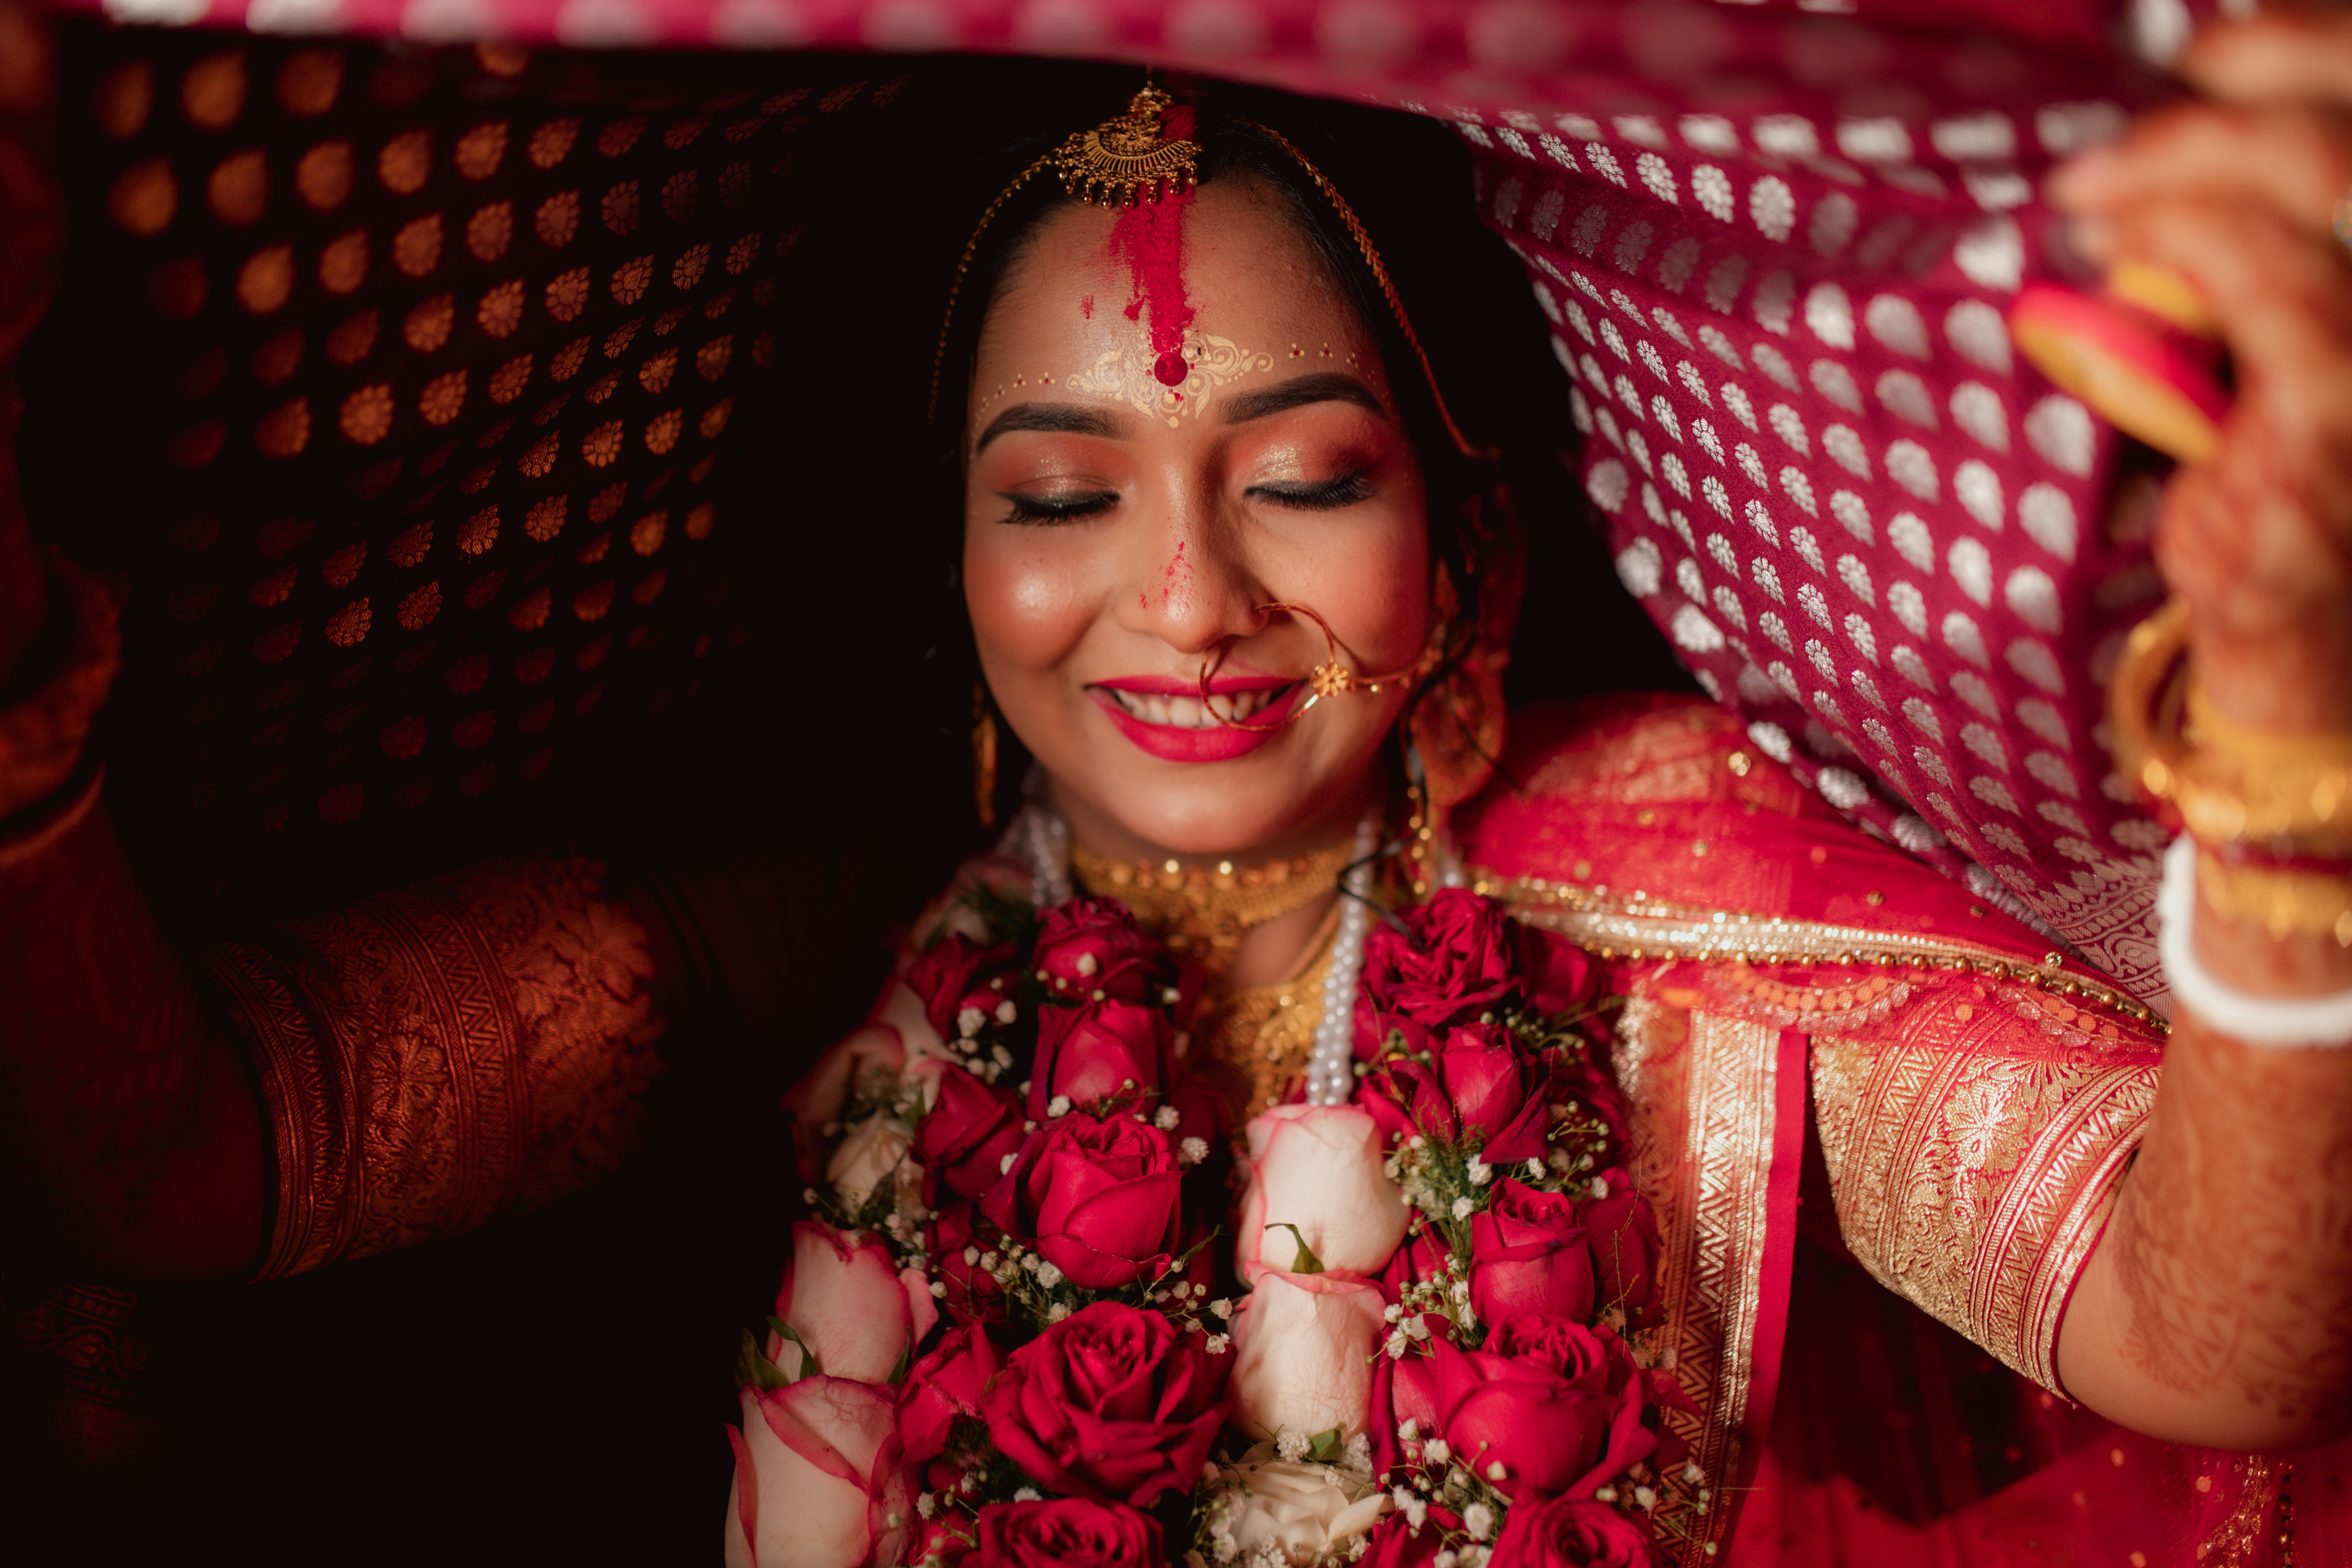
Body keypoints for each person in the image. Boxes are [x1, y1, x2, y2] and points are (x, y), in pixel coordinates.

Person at [0, 4, 2346, 1564]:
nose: (1189, 596)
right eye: (1060, 497)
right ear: (951, 574)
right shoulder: (843, 927)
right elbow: (204, 1152)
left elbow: (2209, 1336)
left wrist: (2290, 749)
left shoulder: (1671, 920)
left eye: (1302, 476)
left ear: (1469, 534)